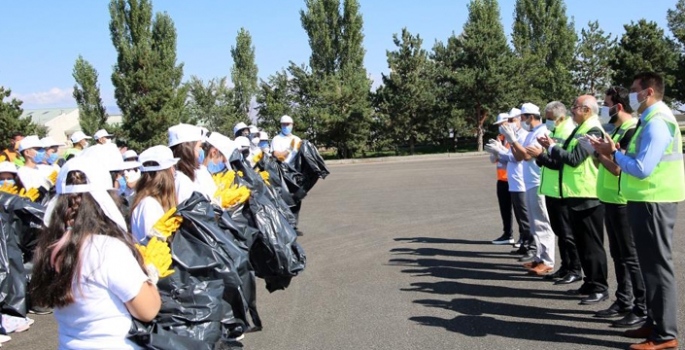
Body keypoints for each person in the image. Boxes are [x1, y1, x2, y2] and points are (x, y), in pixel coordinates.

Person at [29, 156, 161, 349]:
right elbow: (148, 310)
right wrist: (150, 278)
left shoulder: (51, 248)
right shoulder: (107, 249)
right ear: (104, 199)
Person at [593, 72, 682, 350]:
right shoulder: (649, 121)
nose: (631, 95)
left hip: (654, 200)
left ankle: (665, 335)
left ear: (649, 92)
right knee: (649, 267)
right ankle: (654, 324)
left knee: (657, 268)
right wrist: (616, 151)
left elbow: (642, 169)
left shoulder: (658, 122)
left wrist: (614, 153)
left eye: (634, 90)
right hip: (645, 200)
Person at [537, 95, 608, 305]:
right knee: (583, 244)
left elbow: (574, 159)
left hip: (588, 194)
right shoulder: (581, 129)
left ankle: (600, 287)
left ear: (586, 109)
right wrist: (550, 148)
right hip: (576, 194)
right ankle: (590, 282)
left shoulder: (592, 130)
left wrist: (550, 147)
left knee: (593, 246)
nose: (572, 110)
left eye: (575, 107)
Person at [585, 87, 646, 328]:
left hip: (623, 201)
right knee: (618, 255)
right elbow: (607, 165)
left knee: (630, 258)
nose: (604, 109)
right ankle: (623, 301)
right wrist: (596, 153)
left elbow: (619, 168)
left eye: (607, 103)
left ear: (617, 107)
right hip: (610, 199)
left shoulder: (631, 129)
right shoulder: (618, 129)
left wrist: (601, 155)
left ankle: (640, 308)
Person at [528, 101, 582, 285]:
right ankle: (565, 266)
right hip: (551, 189)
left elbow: (560, 163)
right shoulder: (555, 131)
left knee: (567, 234)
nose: (547, 122)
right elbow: (547, 160)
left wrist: (540, 155)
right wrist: (540, 156)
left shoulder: (566, 132)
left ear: (559, 117)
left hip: (562, 190)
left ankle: (575, 269)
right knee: (560, 232)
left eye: (549, 118)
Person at [502, 103, 555, 276]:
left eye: (522, 117)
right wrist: (513, 142)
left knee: (542, 222)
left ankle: (547, 260)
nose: (521, 121)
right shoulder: (531, 134)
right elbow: (519, 156)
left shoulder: (541, 132)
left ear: (530, 117)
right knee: (534, 223)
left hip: (538, 181)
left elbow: (526, 155)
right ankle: (539, 257)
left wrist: (513, 141)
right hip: (530, 182)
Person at [485, 108, 533, 257]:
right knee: (516, 213)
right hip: (508, 180)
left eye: (509, 121)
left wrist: (500, 150)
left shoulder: (521, 136)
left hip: (519, 181)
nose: (503, 126)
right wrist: (496, 151)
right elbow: (499, 160)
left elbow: (517, 157)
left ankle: (529, 245)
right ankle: (524, 244)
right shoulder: (505, 137)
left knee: (524, 217)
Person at [130, 145, 179, 243]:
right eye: (172, 167)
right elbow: (156, 246)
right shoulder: (149, 205)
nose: (174, 172)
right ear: (163, 175)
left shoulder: (150, 202)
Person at [168, 124, 216, 204]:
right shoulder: (181, 180)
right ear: (188, 150)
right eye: (199, 147)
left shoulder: (193, 173)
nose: (200, 152)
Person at [486, 113, 515, 245]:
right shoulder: (499, 138)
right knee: (505, 209)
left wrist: (501, 151)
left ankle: (525, 238)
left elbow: (513, 158)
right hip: (501, 180)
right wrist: (493, 151)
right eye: (498, 125)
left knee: (521, 212)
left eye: (502, 124)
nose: (500, 127)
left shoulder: (513, 138)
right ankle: (507, 234)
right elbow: (493, 160)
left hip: (513, 179)